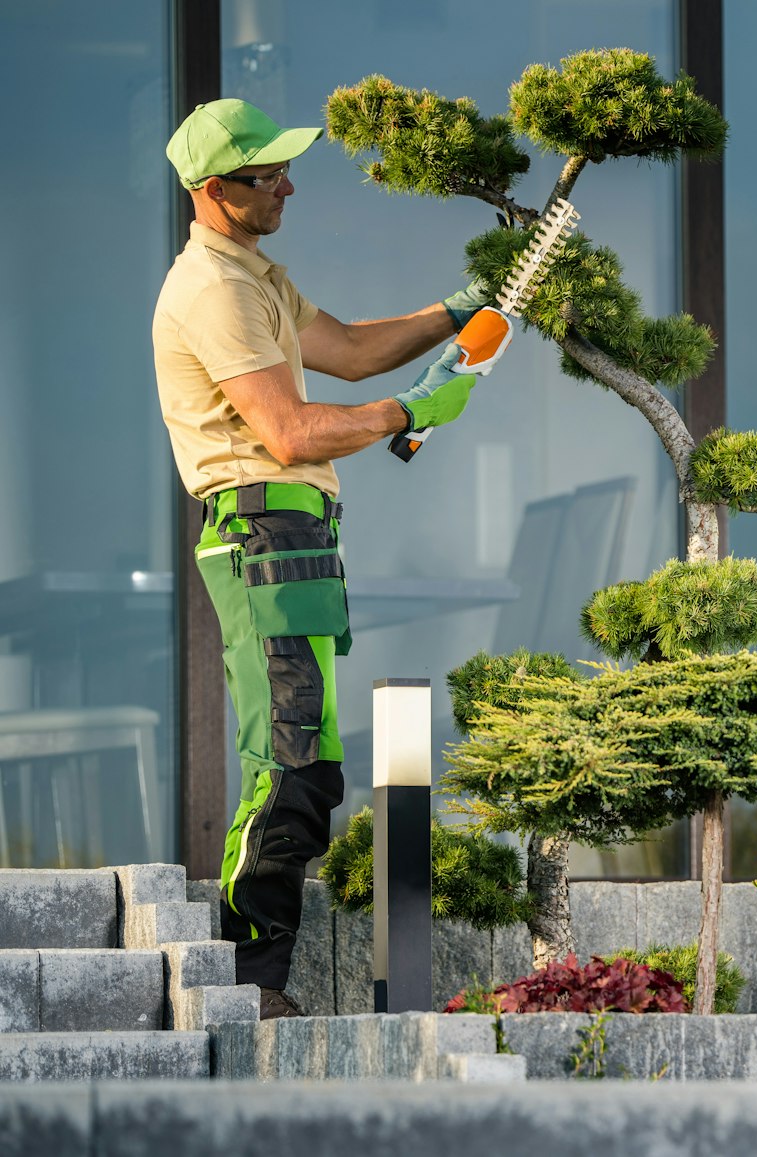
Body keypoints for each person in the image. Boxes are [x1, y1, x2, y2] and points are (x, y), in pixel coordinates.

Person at [151, 98, 490, 1019]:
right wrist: (404, 415)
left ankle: (255, 979)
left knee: (313, 764)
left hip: (295, 534)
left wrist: (457, 309)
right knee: (289, 765)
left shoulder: (254, 275)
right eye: (269, 176)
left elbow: (344, 349)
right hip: (263, 527)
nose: (290, 184)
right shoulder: (211, 291)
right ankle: (244, 983)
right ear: (216, 190)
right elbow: (291, 432)